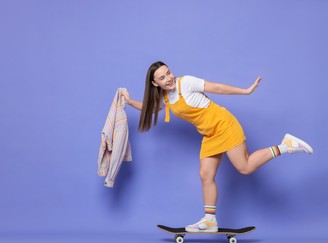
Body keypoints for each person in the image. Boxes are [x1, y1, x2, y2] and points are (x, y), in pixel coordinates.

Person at [124, 61, 313, 232]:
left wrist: (245, 91)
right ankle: (209, 221)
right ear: (155, 84)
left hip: (224, 124)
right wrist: (129, 101)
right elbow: (150, 109)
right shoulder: (165, 97)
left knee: (245, 167)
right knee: (205, 175)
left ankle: (286, 145)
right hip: (210, 134)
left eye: (169, 73)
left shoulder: (185, 82)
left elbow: (217, 88)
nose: (168, 78)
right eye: (162, 77)